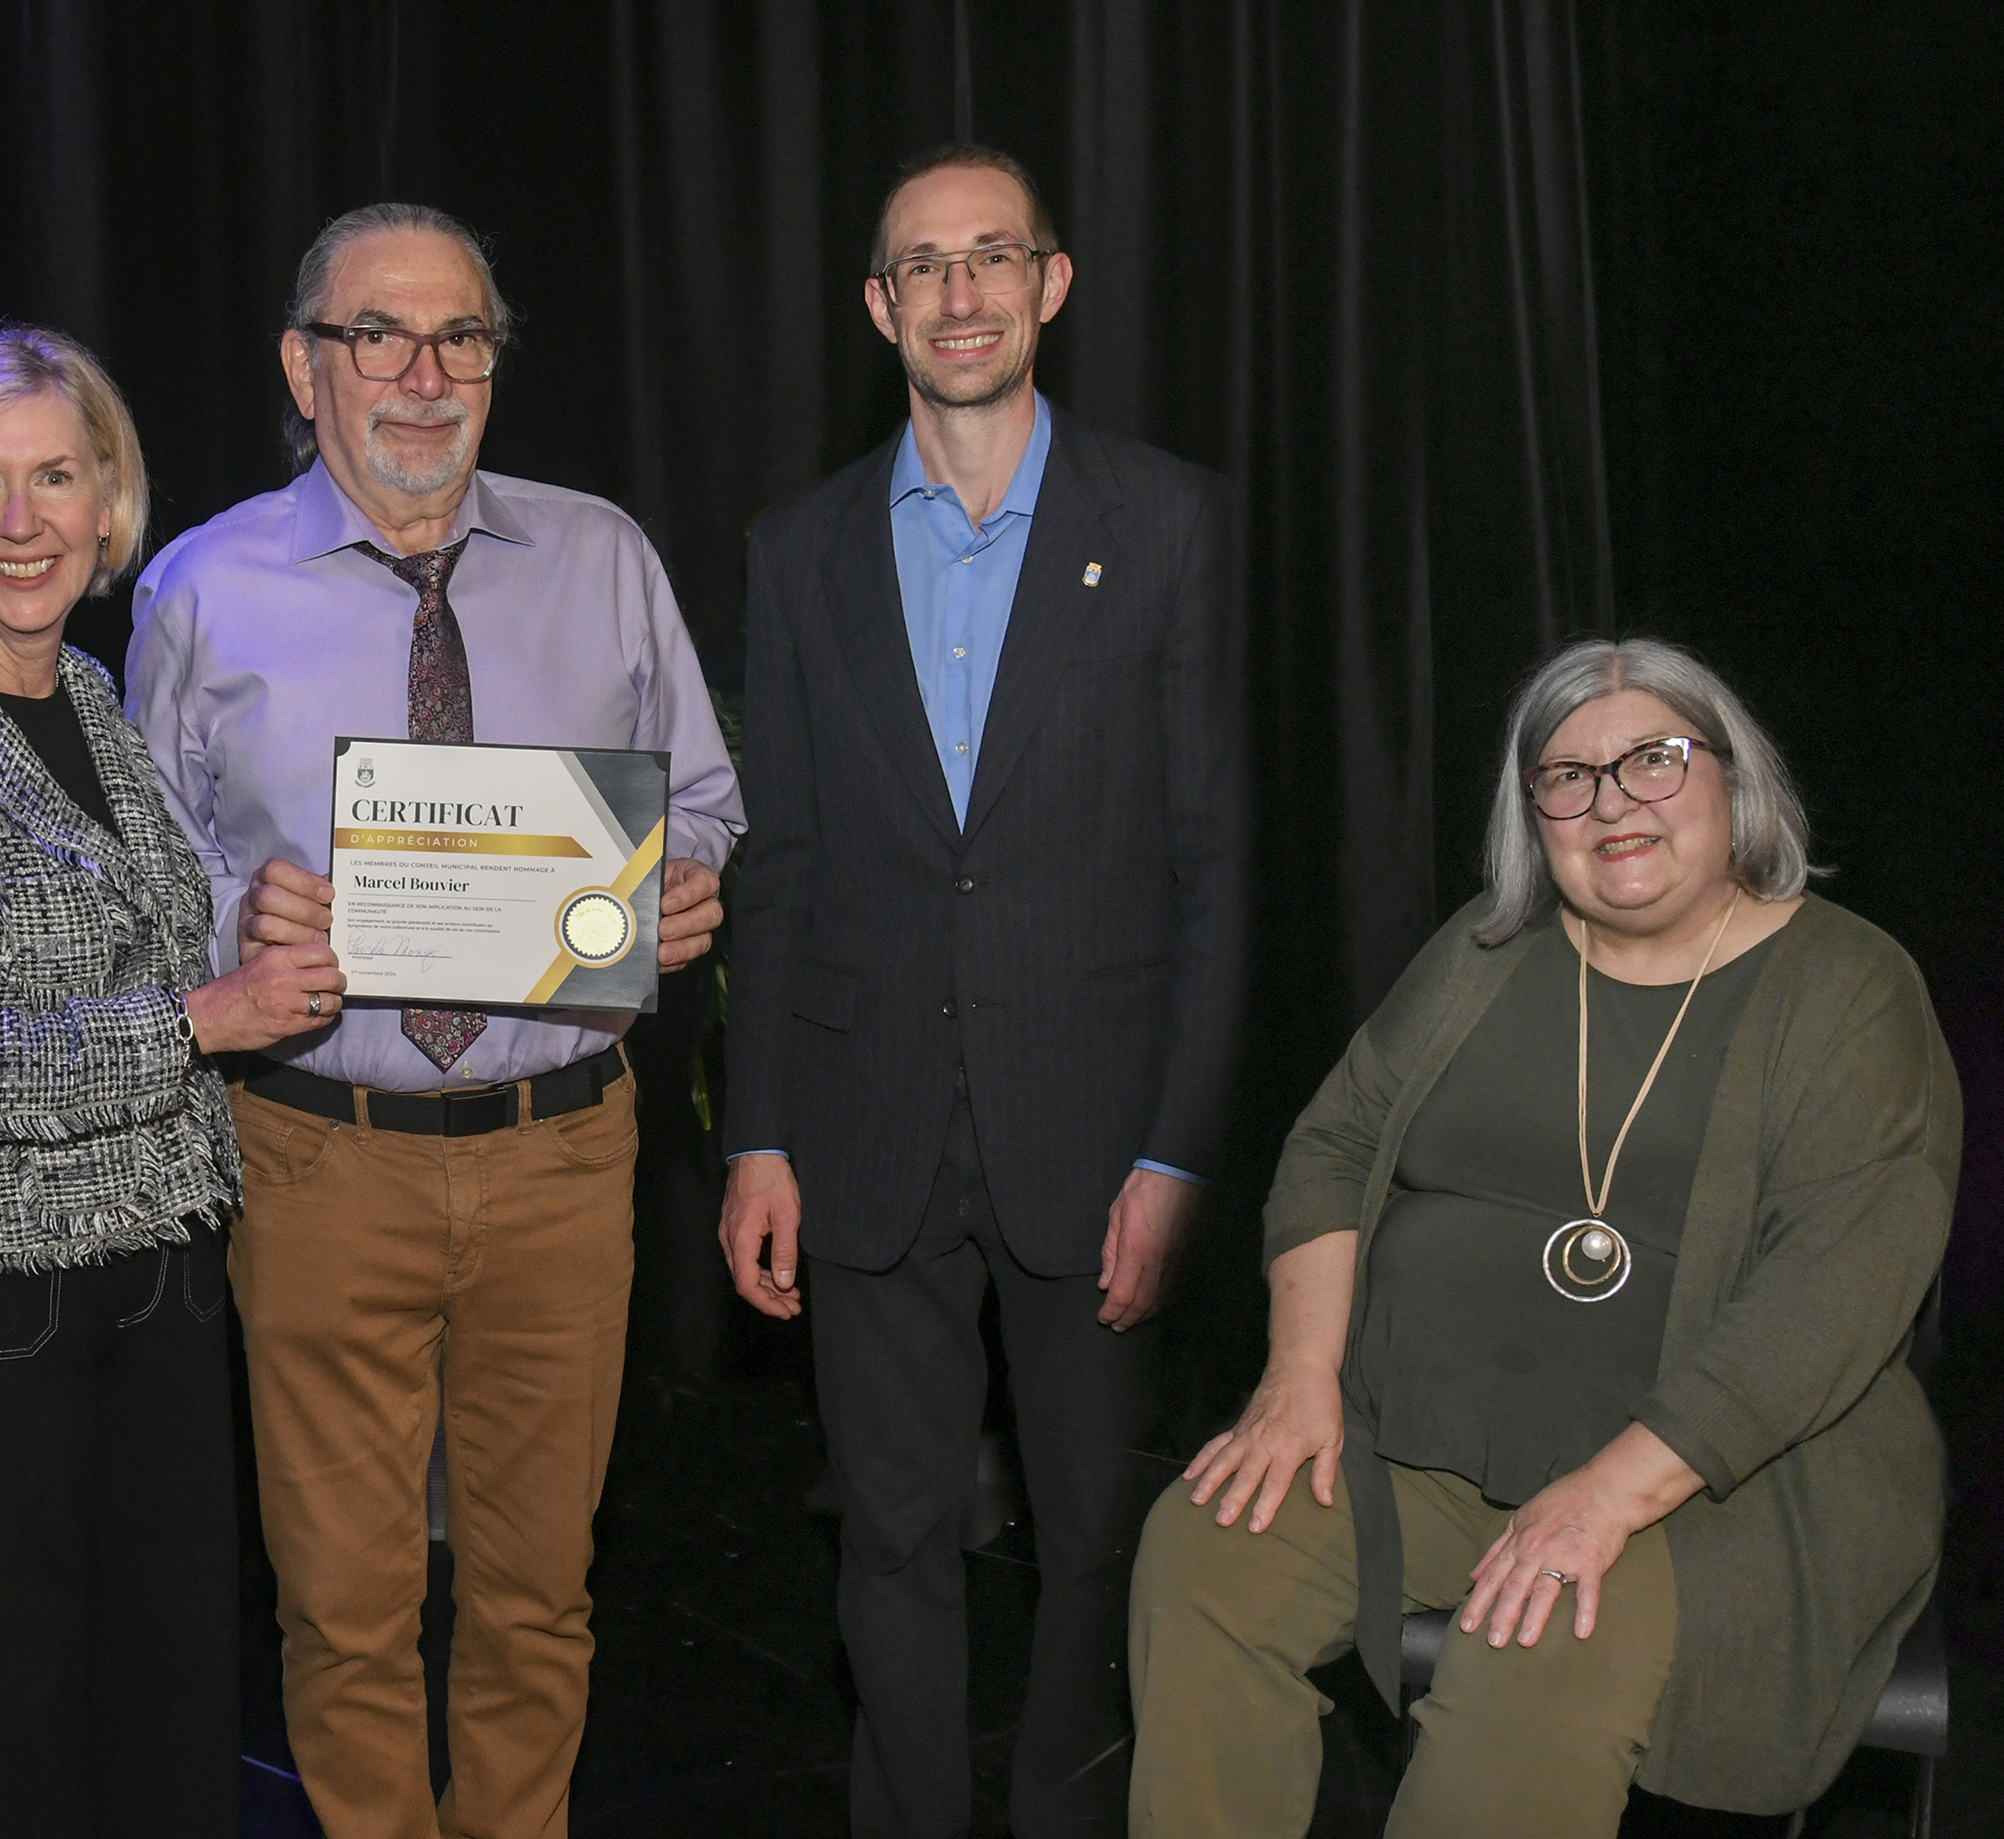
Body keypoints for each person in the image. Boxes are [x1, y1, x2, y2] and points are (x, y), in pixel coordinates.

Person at [125, 202, 744, 1839]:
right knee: (343, 1606)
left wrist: (685, 883)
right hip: (324, 1157)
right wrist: (236, 922)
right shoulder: (200, 586)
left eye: (460, 335)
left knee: (539, 1595)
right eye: (375, 335)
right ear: (301, 366)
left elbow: (705, 795)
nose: (421, 372)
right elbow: (142, 882)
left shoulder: (603, 554)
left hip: (561, 1154)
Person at [1128, 636, 1957, 1834]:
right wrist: (1297, 1380)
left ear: (1735, 779)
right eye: (1566, 776)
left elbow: (1840, 1289)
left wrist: (1608, 1497)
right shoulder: (1486, 951)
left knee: (1533, 1657)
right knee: (1207, 1552)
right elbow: (1333, 1150)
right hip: (1412, 1439)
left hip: (1701, 1497)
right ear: (1535, 815)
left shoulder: (1849, 986)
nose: (1610, 800)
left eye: (1653, 761)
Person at [718, 144, 1246, 1836]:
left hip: (1094, 1142)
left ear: (1051, 283)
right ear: (881, 306)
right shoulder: (798, 553)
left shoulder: (1164, 520)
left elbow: (1215, 866)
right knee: (890, 1535)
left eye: (991, 256)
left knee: (1094, 1535)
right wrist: (758, 1137)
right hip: (864, 1126)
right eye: (923, 265)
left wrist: (1177, 1154)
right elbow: (780, 863)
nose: (960, 292)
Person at [0, 326, 339, 1835]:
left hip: (158, 1274)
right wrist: (201, 1018)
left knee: (167, 1708)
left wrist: (261, 926)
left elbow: (133, 939)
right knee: (9, 1731)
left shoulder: (97, 700)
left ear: (112, 503)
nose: (23, 521)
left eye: (57, 477)